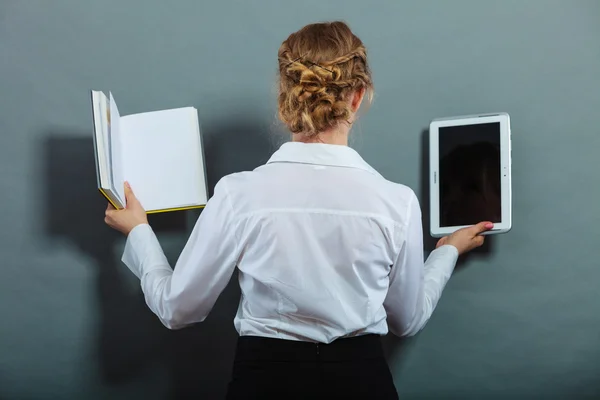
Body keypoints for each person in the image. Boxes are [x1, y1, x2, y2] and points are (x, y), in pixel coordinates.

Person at [104, 21, 493, 400]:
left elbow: (177, 309)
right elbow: (406, 321)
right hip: (363, 383)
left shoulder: (239, 194)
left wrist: (139, 230)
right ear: (357, 97)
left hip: (263, 382)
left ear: (284, 99)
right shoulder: (397, 202)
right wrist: (445, 252)